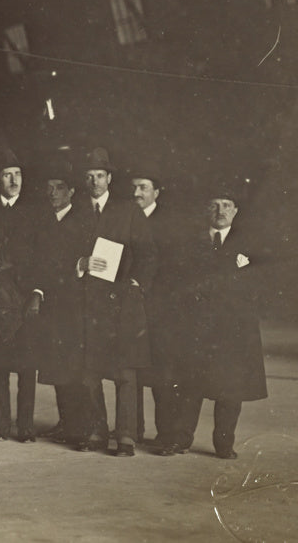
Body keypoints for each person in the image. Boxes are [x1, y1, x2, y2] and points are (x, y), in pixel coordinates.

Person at [159, 184, 265, 460]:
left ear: (236, 211)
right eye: (215, 205)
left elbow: (259, 286)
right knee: (188, 387)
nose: (220, 211)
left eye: (226, 205)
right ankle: (180, 439)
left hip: (233, 330)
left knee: (230, 389)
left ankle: (224, 444)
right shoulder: (190, 244)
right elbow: (177, 284)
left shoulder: (250, 244)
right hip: (195, 328)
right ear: (207, 210)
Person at [73, 147, 157, 457]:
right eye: (89, 176)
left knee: (124, 372)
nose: (94, 181)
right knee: (89, 372)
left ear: (109, 178)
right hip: (88, 303)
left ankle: (126, 436)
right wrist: (80, 263)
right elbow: (60, 253)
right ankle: (96, 430)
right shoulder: (76, 211)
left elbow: (148, 253)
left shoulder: (127, 211)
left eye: (99, 176)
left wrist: (137, 282)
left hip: (121, 302)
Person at [0, 149, 40, 443]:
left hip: (26, 300)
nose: (14, 180)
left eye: (18, 174)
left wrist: (37, 292)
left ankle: (25, 427)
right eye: (7, 175)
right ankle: (1, 426)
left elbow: (44, 257)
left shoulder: (34, 212)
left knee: (27, 367)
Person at [128, 164, 185, 447]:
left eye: (144, 188)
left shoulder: (170, 225)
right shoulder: (124, 218)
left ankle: (167, 436)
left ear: (157, 193)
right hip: (129, 309)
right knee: (131, 371)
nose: (137, 193)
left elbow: (175, 271)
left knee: (163, 376)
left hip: (160, 311)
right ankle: (132, 430)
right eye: (135, 187)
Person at [31, 161, 87, 444]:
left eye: (60, 188)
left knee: (75, 368)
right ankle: (66, 422)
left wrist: (75, 266)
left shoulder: (82, 220)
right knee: (57, 364)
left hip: (76, 305)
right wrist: (39, 292)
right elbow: (39, 262)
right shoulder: (44, 221)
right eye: (49, 188)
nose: (53, 193)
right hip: (53, 302)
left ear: (72, 192)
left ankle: (80, 428)